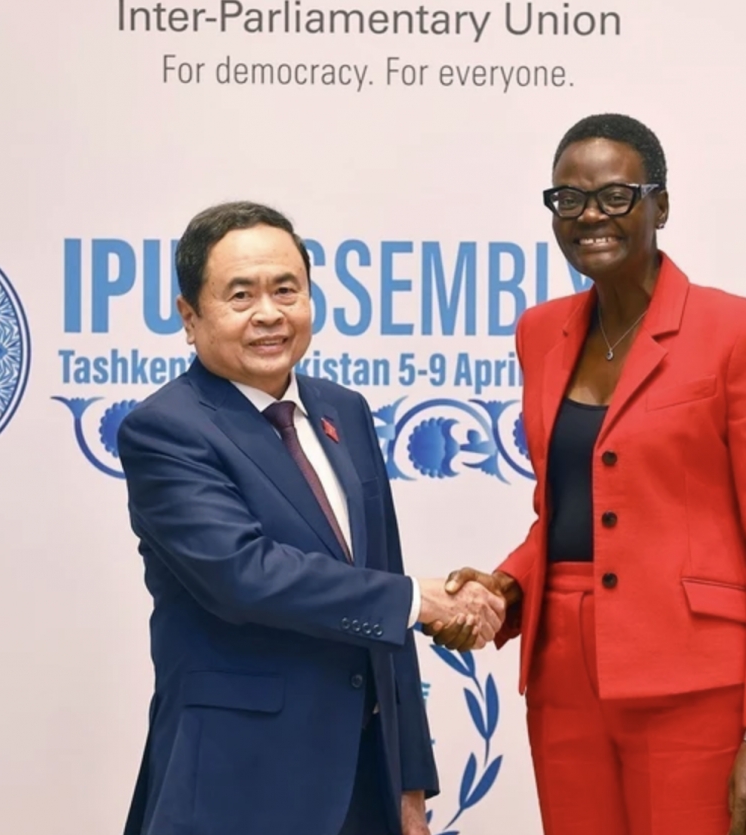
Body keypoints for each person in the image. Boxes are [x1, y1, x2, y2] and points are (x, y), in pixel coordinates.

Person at [425, 114, 746, 835]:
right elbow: (566, 509)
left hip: (692, 680)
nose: (590, 216)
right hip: (563, 674)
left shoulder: (741, 331)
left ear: (659, 206)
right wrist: (507, 586)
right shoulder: (540, 332)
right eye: (569, 200)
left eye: (615, 196)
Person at [117, 201, 505, 835]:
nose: (269, 313)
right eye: (240, 295)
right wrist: (419, 600)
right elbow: (244, 575)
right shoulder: (165, 429)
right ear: (190, 317)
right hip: (237, 784)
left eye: (286, 290)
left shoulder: (343, 410)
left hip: (363, 784)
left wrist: (409, 781)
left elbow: (385, 587)